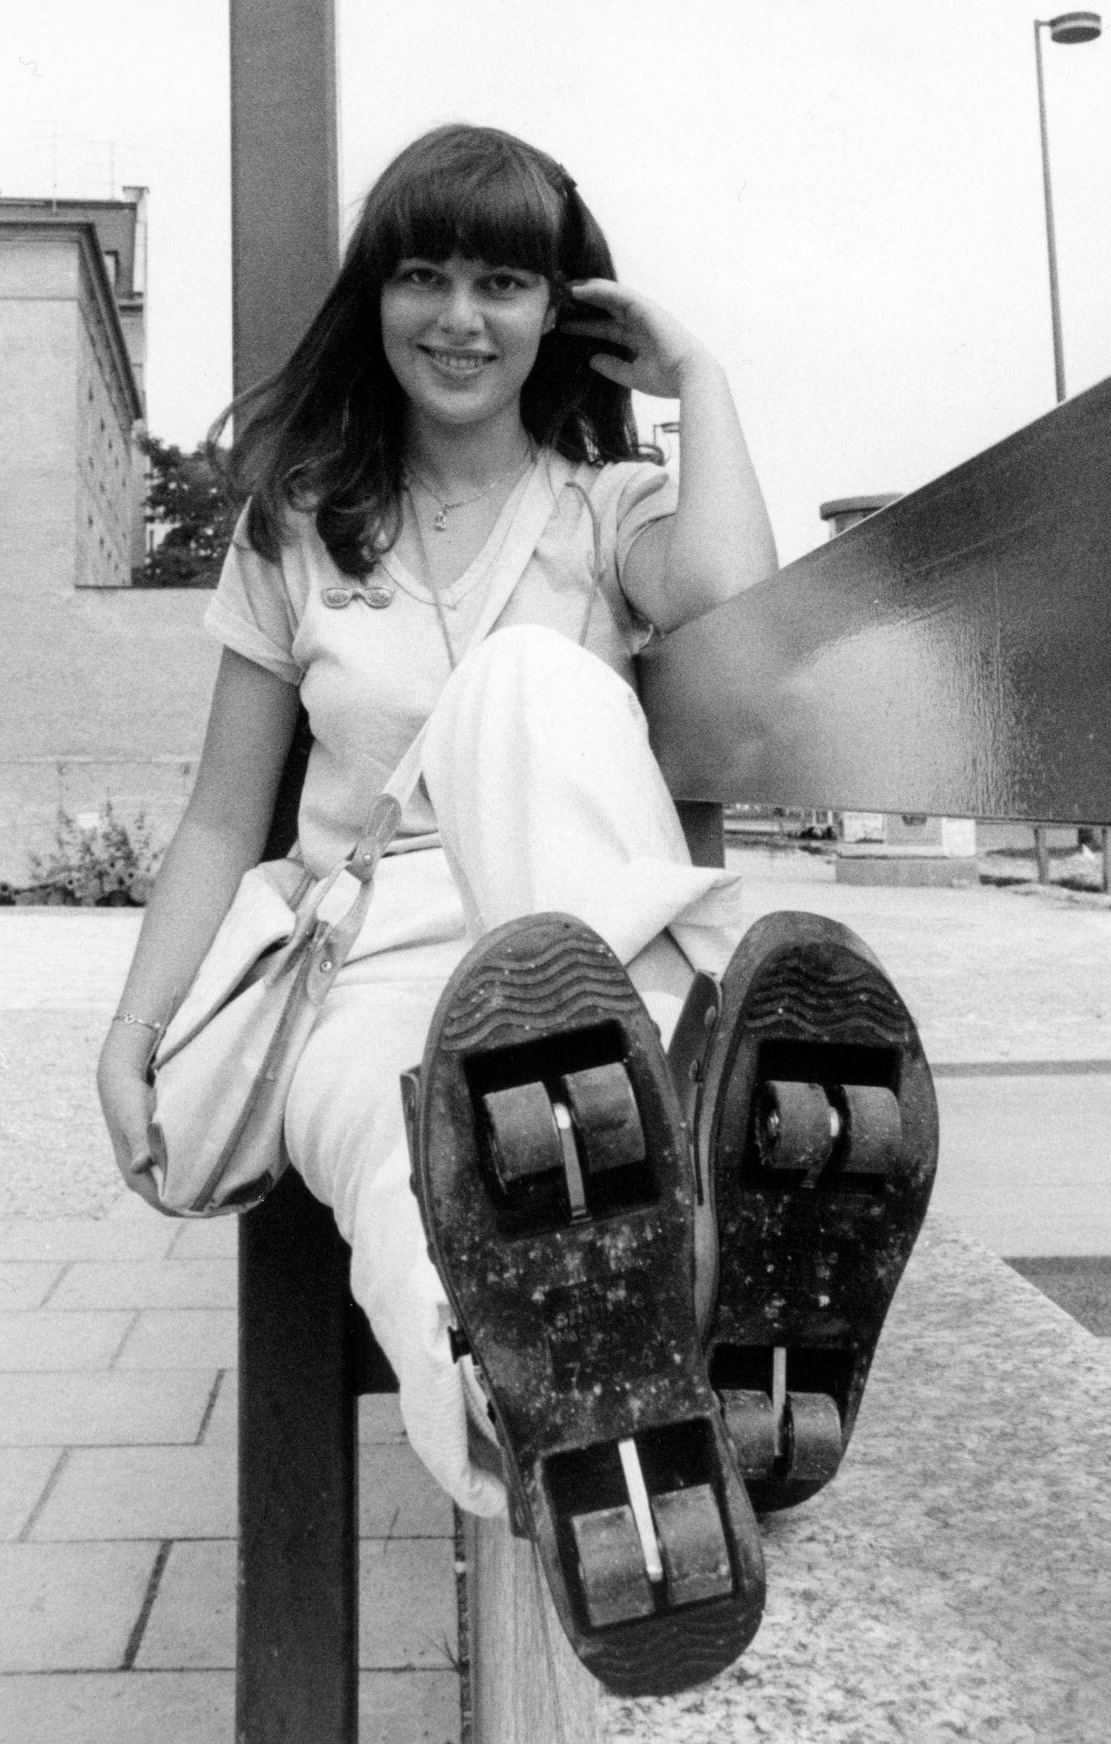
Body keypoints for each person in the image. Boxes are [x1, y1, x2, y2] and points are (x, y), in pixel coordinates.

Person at [98, 123, 934, 1690]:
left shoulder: (605, 506)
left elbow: (741, 647)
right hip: (377, 951)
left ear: (564, 311)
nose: (462, 317)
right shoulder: (301, 520)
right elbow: (225, 816)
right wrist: (135, 1029)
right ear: (379, 296)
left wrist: (708, 381)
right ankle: (574, 1415)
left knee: (531, 690)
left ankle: (630, 1163)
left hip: (569, 906)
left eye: (505, 281)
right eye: (426, 274)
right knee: (404, 1162)